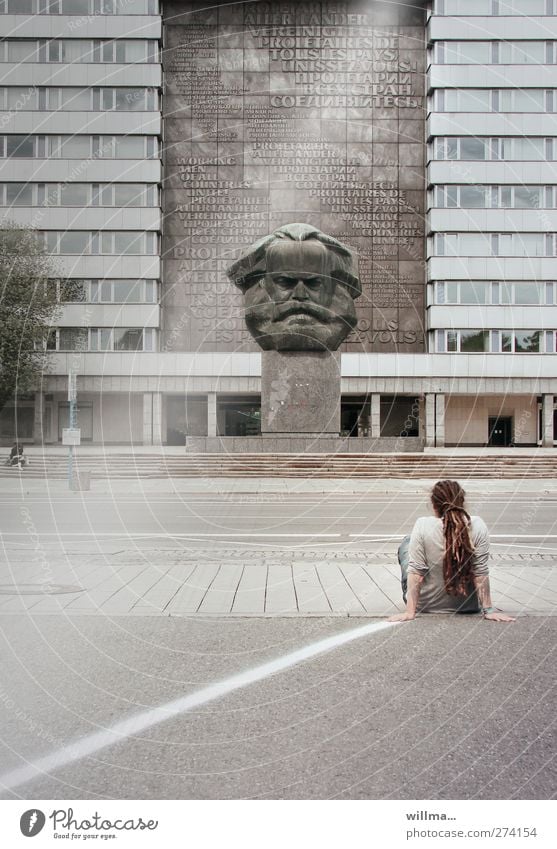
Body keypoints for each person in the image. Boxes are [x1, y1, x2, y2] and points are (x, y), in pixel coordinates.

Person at [389, 479, 515, 623]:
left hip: (425, 606)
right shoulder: (478, 525)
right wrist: (489, 610)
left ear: (433, 504)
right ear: (462, 501)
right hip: (468, 606)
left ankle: (414, 603)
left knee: (407, 541)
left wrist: (410, 612)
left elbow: (416, 571)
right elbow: (480, 572)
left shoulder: (422, 524)